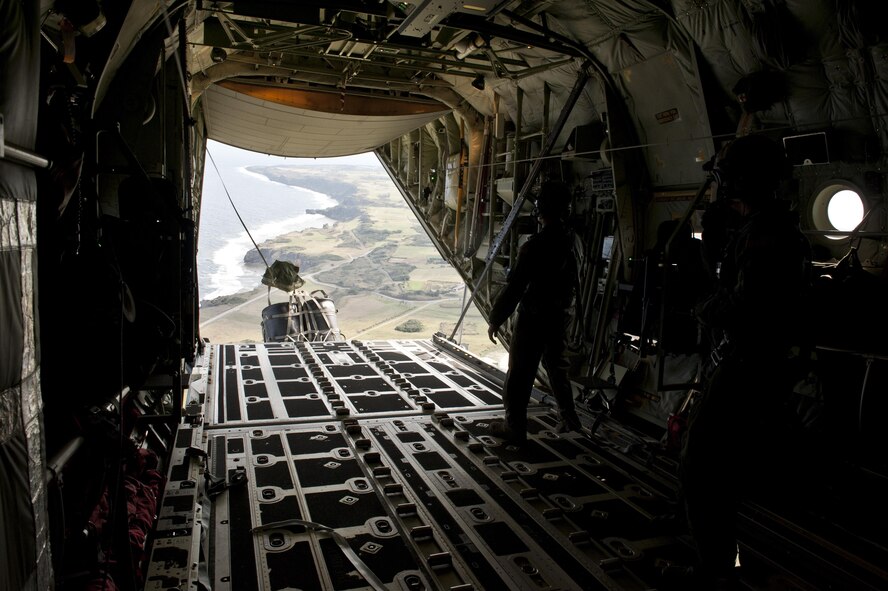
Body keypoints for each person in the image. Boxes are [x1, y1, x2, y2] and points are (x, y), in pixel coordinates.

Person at [680, 134, 812, 589]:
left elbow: (746, 304)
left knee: (700, 463)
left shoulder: (765, 236)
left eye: (730, 174)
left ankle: (713, 570)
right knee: (729, 465)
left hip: (748, 363)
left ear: (747, 178)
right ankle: (721, 562)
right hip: (759, 364)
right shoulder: (766, 229)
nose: (725, 182)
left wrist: (704, 308)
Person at [486, 181, 581, 445]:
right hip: (559, 316)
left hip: (534, 318)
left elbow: (515, 287)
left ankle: (514, 427)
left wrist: (496, 319)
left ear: (541, 209)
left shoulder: (534, 246)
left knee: (519, 375)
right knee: (556, 368)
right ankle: (570, 420)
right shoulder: (571, 241)